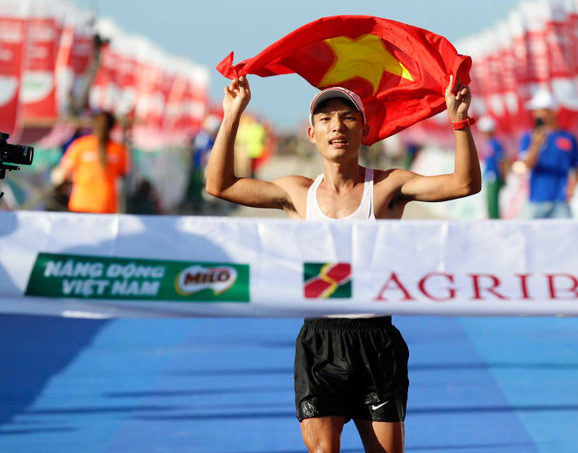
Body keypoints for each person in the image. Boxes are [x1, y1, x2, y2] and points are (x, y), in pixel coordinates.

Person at [206, 76, 481, 453]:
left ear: (364, 130)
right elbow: (219, 185)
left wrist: (459, 120)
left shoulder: (387, 188)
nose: (337, 126)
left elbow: (465, 184)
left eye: (348, 118)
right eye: (326, 119)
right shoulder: (297, 194)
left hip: (376, 340)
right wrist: (232, 114)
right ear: (312, 133)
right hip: (320, 342)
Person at [518, 90, 578, 219]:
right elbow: (526, 165)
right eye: (535, 111)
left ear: (552, 111)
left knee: (565, 237)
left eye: (540, 110)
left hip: (560, 202)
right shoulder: (528, 137)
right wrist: (536, 145)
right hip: (536, 201)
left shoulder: (568, 138)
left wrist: (573, 187)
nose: (536, 114)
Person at [59, 111, 130, 214]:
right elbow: (123, 174)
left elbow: (64, 172)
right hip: (106, 206)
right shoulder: (120, 150)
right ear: (112, 127)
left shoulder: (80, 146)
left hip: (81, 204)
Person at [478, 116, 507, 219]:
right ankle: (491, 218)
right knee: (489, 200)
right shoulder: (486, 144)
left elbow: (501, 162)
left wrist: (503, 177)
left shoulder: (496, 144)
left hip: (495, 176)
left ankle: (494, 220)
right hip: (488, 176)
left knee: (493, 201)